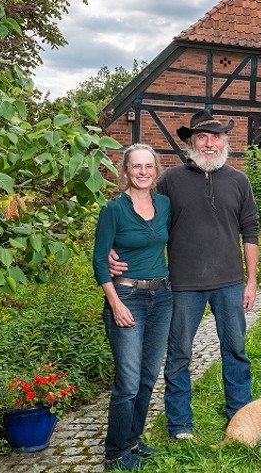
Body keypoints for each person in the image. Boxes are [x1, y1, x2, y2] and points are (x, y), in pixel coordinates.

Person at [109, 109, 259, 441]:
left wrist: (251, 281)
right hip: (182, 285)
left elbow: (250, 232)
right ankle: (179, 424)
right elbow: (136, 208)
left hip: (230, 284)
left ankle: (241, 415)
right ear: (190, 142)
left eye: (216, 136)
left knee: (235, 350)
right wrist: (110, 245)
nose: (210, 143)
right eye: (202, 137)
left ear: (224, 142)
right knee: (178, 355)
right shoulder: (170, 181)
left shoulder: (239, 181)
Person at [93, 144, 172, 471]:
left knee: (147, 376)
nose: (142, 172)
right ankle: (115, 452)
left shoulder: (164, 204)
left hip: (162, 297)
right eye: (136, 167)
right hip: (127, 298)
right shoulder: (114, 209)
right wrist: (115, 303)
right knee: (127, 380)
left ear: (155, 171)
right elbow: (100, 259)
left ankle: (133, 440)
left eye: (148, 166)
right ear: (125, 171)